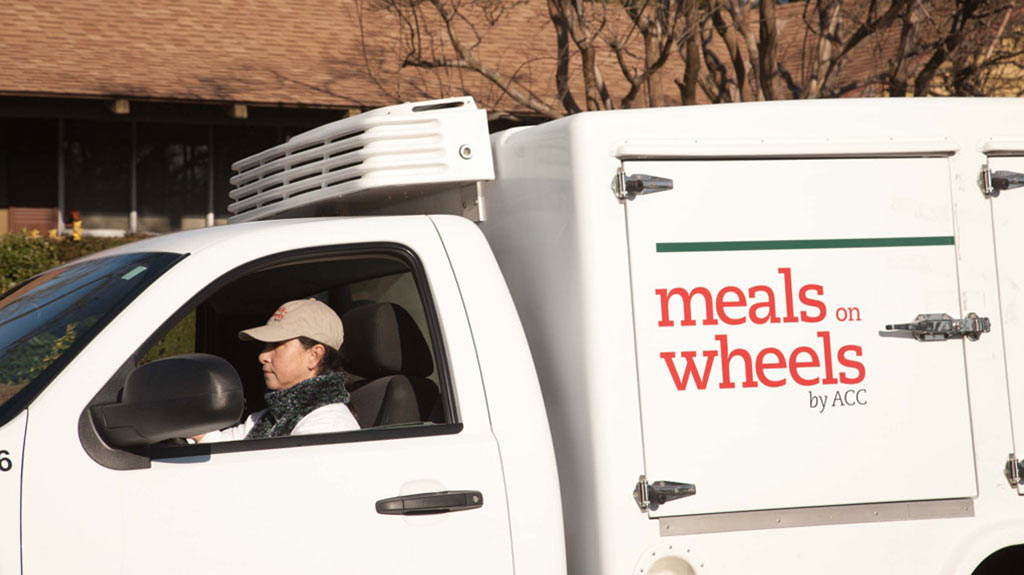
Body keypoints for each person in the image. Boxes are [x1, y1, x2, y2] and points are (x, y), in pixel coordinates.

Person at [197, 298, 359, 443]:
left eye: (276, 345)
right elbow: (218, 445)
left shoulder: (328, 425)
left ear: (314, 355)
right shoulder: (269, 417)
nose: (263, 356)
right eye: (265, 346)